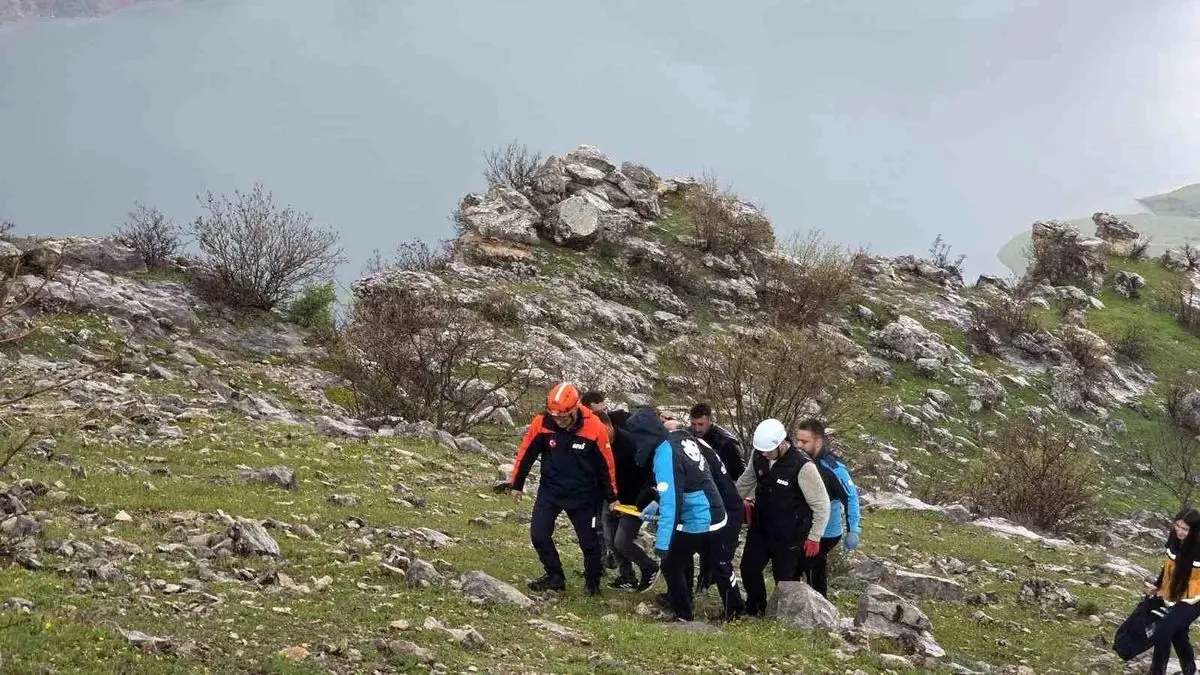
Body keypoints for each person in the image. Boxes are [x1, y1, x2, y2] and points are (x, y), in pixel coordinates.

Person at [509, 383, 618, 595]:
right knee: (538, 535)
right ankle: (554, 576)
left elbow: (607, 465)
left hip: (584, 496)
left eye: (564, 416)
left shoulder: (595, 428)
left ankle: (592, 583)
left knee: (589, 543)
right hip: (551, 491)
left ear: (576, 408)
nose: (559, 421)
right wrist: (517, 484)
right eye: (555, 416)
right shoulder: (542, 423)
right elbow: (527, 452)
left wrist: (612, 497)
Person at [626, 409, 728, 622]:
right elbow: (681, 482)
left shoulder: (665, 455)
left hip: (700, 515)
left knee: (671, 563)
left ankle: (683, 614)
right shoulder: (676, 441)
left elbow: (672, 500)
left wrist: (662, 544)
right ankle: (684, 603)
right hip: (710, 508)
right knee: (680, 560)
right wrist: (656, 502)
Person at [734, 418, 830, 616]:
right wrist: (730, 503)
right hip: (761, 528)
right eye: (761, 451)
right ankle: (756, 607)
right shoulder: (759, 456)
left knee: (785, 581)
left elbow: (822, 504)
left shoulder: (803, 466)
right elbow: (745, 483)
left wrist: (815, 537)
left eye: (768, 451)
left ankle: (784, 615)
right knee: (749, 569)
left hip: (790, 535)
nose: (764, 455)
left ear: (781, 444)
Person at [793, 419, 861, 598]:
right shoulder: (796, 460)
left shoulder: (833, 468)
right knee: (794, 566)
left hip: (826, 532)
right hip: (802, 525)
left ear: (818, 441)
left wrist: (853, 530)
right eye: (798, 440)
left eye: (804, 442)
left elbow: (851, 497)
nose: (799, 445)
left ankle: (819, 607)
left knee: (813, 567)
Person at [596, 410, 660, 592]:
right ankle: (627, 577)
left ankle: (649, 567)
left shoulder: (630, 443)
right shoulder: (597, 444)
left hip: (634, 501)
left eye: (601, 431)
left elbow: (647, 474)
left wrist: (646, 500)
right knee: (610, 539)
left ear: (609, 426)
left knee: (622, 541)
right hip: (610, 498)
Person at [689, 403, 746, 592]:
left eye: (701, 425)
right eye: (694, 424)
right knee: (704, 543)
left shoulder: (726, 443)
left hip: (725, 499)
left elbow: (739, 474)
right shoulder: (690, 438)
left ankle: (724, 592)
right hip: (702, 499)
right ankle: (703, 581)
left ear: (710, 421)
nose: (697, 429)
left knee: (720, 549)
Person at [1145, 508, 1200, 675]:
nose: (1180, 531)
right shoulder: (1174, 538)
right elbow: (1168, 565)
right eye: (1178, 526)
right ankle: (1190, 670)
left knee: (1163, 630)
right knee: (1178, 635)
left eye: (1185, 529)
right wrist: (1157, 585)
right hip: (1172, 594)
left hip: (1194, 599)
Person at [582, 390, 615, 569]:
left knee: (602, 526)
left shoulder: (605, 424)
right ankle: (598, 563)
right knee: (594, 526)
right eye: (598, 410)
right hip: (588, 484)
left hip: (605, 485)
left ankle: (601, 563)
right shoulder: (583, 426)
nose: (603, 413)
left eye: (604, 409)